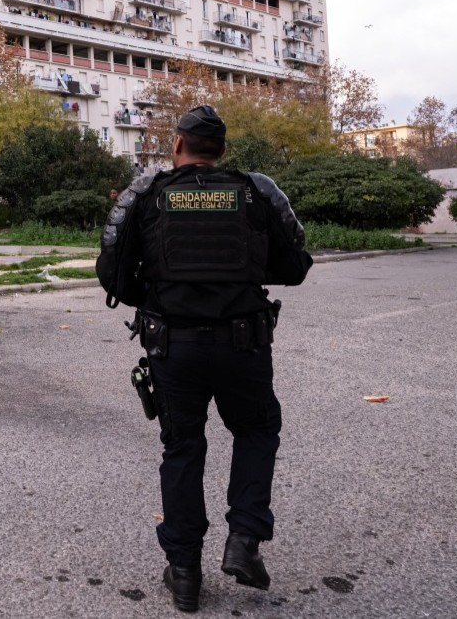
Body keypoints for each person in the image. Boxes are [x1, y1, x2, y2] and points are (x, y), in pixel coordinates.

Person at [96, 106, 313, 612]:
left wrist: (158, 292)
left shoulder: (150, 195)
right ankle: (244, 539)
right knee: (257, 431)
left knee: (183, 448)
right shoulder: (254, 191)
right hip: (244, 344)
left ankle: (186, 572)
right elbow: (294, 265)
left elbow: (113, 272)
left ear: (177, 146)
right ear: (220, 150)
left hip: (174, 346)